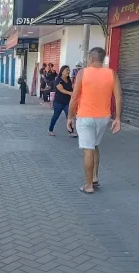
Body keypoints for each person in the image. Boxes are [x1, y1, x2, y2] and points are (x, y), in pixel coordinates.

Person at [68, 47, 122, 194]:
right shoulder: (112, 74)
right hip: (103, 118)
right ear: (103, 59)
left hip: (85, 117)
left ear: (90, 58)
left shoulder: (82, 73)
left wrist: (69, 117)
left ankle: (88, 185)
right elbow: (118, 97)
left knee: (88, 150)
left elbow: (74, 97)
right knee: (95, 145)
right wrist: (117, 118)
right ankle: (95, 178)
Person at [49, 65, 74, 136]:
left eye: (69, 70)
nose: (68, 71)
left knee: (69, 116)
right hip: (58, 102)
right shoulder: (58, 80)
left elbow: (72, 87)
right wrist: (70, 93)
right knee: (56, 116)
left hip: (67, 102)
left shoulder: (69, 79)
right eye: (66, 70)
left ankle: (71, 131)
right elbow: (61, 89)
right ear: (62, 71)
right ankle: (50, 130)